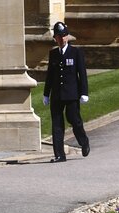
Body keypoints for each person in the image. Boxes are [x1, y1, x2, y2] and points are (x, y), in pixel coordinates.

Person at [43, 22, 90, 162]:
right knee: (57, 125)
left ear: (67, 36)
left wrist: (84, 92)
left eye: (63, 36)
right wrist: (46, 93)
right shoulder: (53, 54)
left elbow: (82, 74)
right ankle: (59, 154)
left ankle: (84, 142)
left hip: (71, 94)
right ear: (55, 38)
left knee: (74, 120)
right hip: (57, 95)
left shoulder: (76, 53)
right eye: (58, 36)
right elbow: (50, 75)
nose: (61, 39)